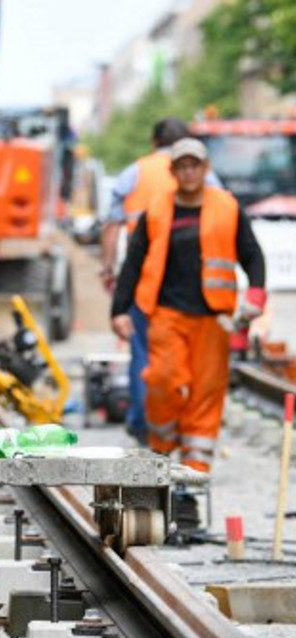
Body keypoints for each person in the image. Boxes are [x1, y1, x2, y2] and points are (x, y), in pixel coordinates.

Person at [110, 138, 265, 472]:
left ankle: (193, 473)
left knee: (206, 392)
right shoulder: (157, 210)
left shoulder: (227, 207)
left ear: (206, 168)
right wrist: (119, 310)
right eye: (182, 166)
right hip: (167, 314)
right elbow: (134, 262)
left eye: (195, 165)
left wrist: (255, 296)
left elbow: (252, 254)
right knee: (162, 380)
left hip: (213, 318)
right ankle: (163, 448)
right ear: (173, 171)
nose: (189, 172)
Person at [100, 118, 220, 445]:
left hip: (145, 278)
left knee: (144, 352)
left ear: (154, 142)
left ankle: (145, 426)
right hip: (195, 281)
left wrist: (108, 269)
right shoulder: (206, 174)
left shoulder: (134, 173)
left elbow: (112, 225)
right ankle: (184, 423)